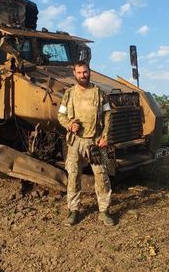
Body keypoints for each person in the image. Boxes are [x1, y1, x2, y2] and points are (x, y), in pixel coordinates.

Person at [58, 60, 115, 226]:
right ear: (74, 74)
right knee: (74, 176)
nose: (83, 75)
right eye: (79, 72)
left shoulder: (99, 93)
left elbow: (107, 115)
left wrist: (105, 136)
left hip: (95, 143)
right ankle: (73, 211)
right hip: (76, 143)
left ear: (89, 72)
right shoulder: (69, 93)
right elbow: (60, 116)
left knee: (101, 176)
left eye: (85, 72)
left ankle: (104, 212)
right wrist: (69, 124)